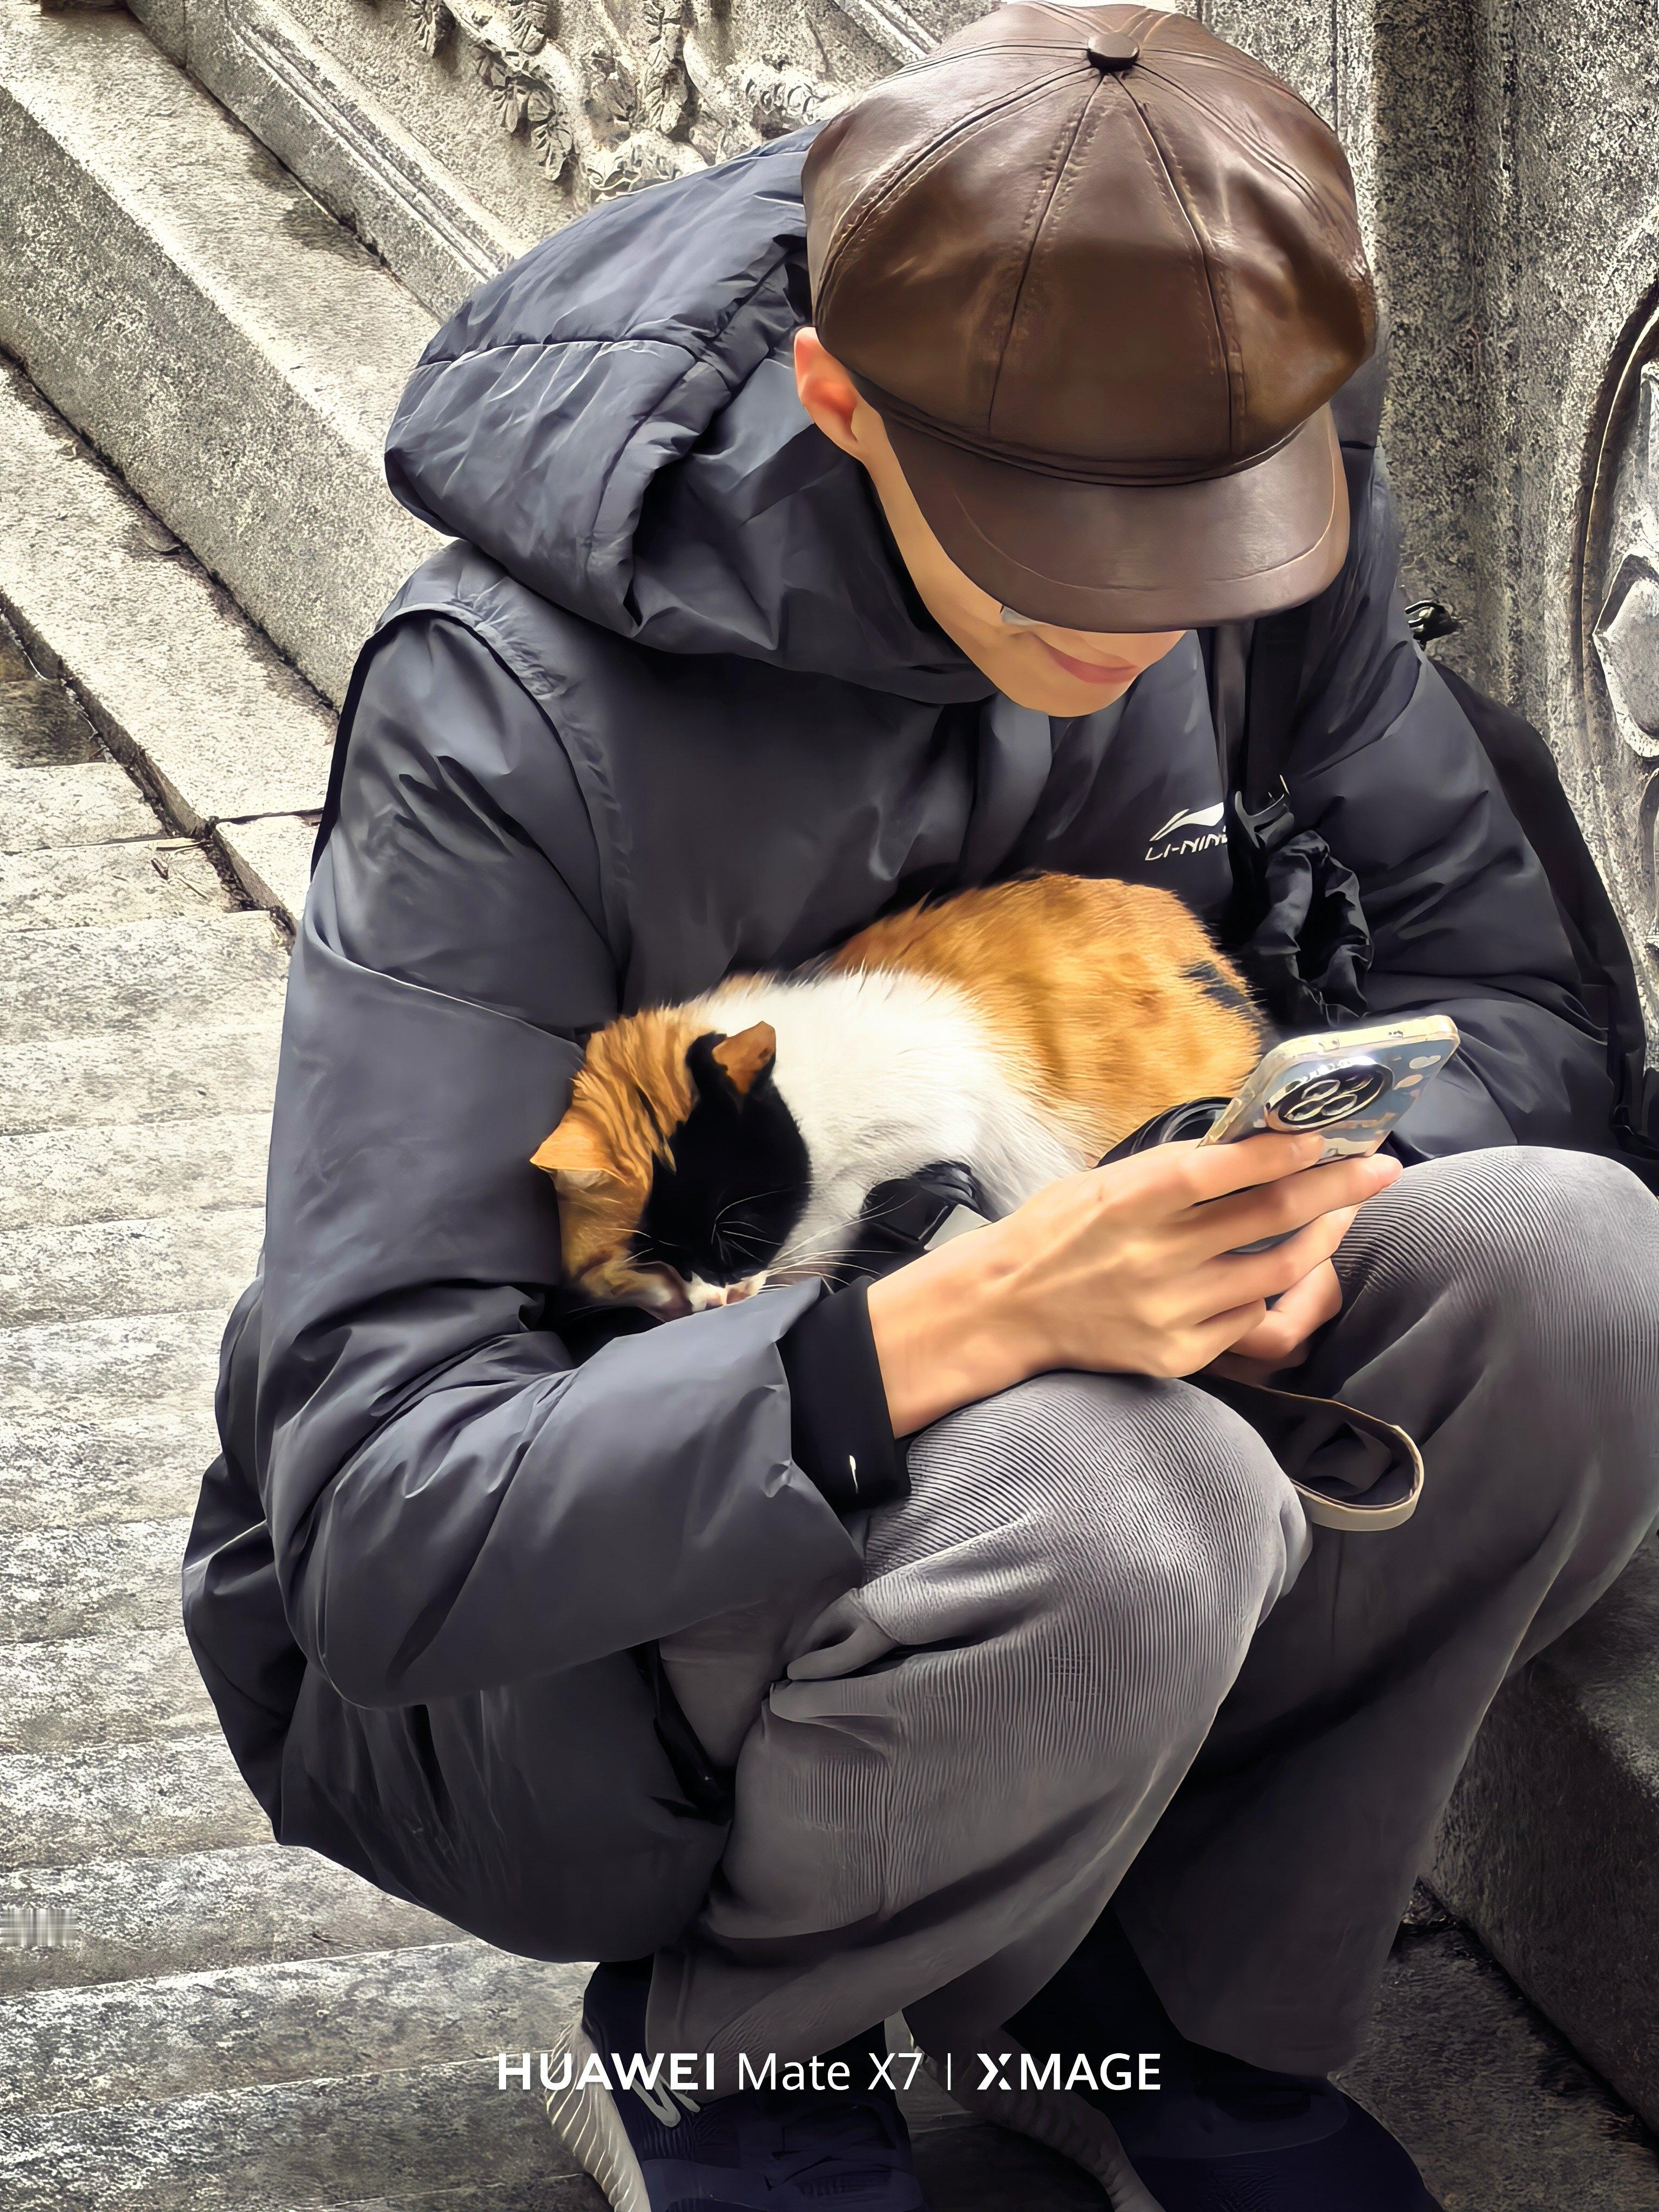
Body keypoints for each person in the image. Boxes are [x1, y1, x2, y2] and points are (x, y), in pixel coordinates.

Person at [183, 8, 1659, 2209]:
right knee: (1123, 1495)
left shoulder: (1245, 486)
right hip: (552, 1672)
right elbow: (383, 1522)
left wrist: (1282, 1210)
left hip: (1053, 1451)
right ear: (841, 400)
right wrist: (962, 1321)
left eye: (1207, 533)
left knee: (1581, 1272)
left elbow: (1517, 1006)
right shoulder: (503, 715)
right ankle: (731, 2064)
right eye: (1064, 546)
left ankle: (1166, 2017)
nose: (1149, 618)